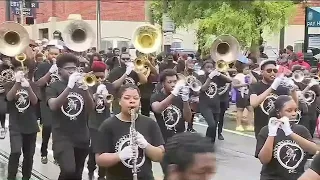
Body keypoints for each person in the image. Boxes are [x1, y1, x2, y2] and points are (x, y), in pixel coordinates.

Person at [95, 84, 165, 180]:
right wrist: (119, 156)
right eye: (127, 98)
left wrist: (146, 146)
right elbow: (99, 159)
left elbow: (160, 156)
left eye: (136, 98)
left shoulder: (150, 123)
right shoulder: (108, 125)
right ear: (119, 101)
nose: (132, 101)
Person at [46, 53, 94, 180]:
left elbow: (91, 108)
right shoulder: (53, 86)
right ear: (59, 70)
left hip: (82, 136)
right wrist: (69, 87)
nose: (72, 71)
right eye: (68, 69)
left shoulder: (81, 85)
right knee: (68, 170)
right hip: (62, 137)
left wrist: (85, 91)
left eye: (74, 69)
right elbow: (53, 105)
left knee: (77, 174)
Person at [255, 95, 319, 180]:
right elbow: (264, 160)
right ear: (279, 112)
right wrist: (272, 134)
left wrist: (290, 133)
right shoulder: (266, 130)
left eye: (295, 110)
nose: (294, 113)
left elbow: (314, 150)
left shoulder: (301, 130)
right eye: (289, 111)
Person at [5, 57, 40, 180]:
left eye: (24, 69)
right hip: (16, 124)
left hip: (30, 124)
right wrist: (17, 83)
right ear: (14, 71)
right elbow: (9, 98)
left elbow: (35, 101)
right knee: (15, 152)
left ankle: (26, 177)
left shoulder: (33, 85)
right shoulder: (9, 84)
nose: (22, 71)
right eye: (19, 69)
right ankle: (11, 177)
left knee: (29, 155)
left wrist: (28, 87)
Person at [249, 59, 298, 137]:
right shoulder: (255, 86)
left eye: (275, 71)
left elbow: (294, 106)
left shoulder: (282, 87)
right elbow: (254, 103)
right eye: (269, 71)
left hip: (280, 127)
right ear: (261, 72)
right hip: (262, 127)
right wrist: (272, 88)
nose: (272, 73)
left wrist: (293, 91)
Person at [87, 61, 115, 180]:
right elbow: (89, 108)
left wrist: (105, 97)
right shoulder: (88, 84)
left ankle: (101, 175)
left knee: (104, 149)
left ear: (105, 74)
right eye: (97, 77)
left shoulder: (109, 86)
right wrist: (95, 95)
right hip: (92, 122)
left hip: (106, 122)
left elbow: (109, 106)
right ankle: (90, 171)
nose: (99, 79)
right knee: (94, 149)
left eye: (102, 77)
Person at [34, 45, 60, 164]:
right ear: (47, 54)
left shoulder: (62, 67)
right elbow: (39, 83)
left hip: (59, 100)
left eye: (56, 54)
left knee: (58, 129)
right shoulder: (43, 66)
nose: (54, 56)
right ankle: (44, 152)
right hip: (45, 100)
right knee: (48, 126)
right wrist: (50, 72)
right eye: (52, 54)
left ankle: (57, 155)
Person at [196, 60, 232, 143]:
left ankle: (209, 142)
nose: (210, 69)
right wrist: (210, 77)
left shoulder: (217, 77)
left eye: (211, 67)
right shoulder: (201, 77)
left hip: (216, 104)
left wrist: (219, 74)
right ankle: (207, 141)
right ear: (203, 68)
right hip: (205, 105)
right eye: (207, 67)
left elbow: (229, 80)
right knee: (211, 124)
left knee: (214, 126)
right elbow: (203, 88)